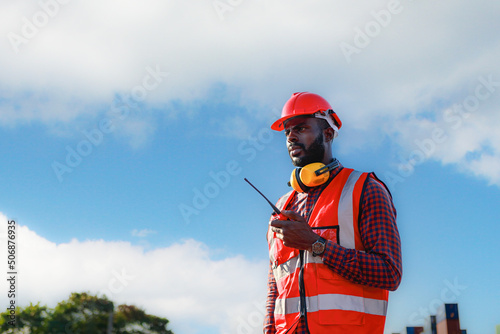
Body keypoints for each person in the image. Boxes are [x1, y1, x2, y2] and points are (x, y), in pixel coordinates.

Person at [263, 92, 402, 334]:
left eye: (301, 128)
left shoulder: (365, 189)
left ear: (328, 133)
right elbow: (275, 285)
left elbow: (389, 272)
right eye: (287, 132)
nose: (291, 137)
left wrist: (317, 245)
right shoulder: (282, 207)